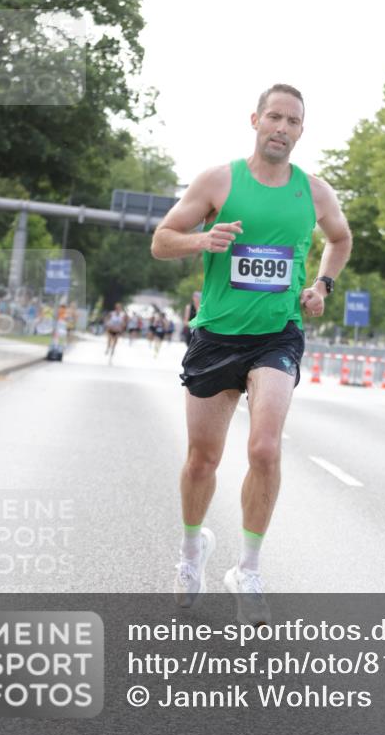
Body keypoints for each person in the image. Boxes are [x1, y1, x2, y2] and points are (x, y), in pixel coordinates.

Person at [151, 84, 352, 617]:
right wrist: (203, 240)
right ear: (255, 120)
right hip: (216, 333)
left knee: (265, 448)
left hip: (277, 334)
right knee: (203, 459)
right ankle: (193, 550)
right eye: (275, 117)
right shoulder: (219, 180)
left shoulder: (314, 192)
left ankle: (250, 567)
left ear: (301, 131)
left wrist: (321, 286)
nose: (282, 128)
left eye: (293, 121)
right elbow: (161, 239)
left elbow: (340, 239)